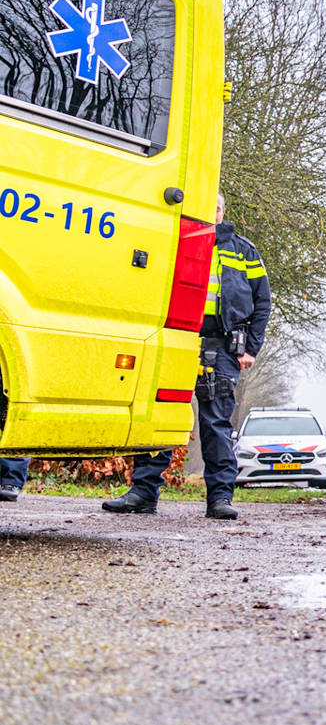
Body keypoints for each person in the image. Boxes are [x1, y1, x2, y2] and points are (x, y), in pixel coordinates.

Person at [104, 194, 270, 521]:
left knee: (216, 424)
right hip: (175, 340)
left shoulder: (244, 251)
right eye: (206, 208)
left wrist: (250, 348)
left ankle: (220, 499)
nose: (211, 214)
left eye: (216, 208)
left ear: (224, 212)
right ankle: (142, 493)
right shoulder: (173, 240)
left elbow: (261, 303)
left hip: (220, 347)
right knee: (160, 417)